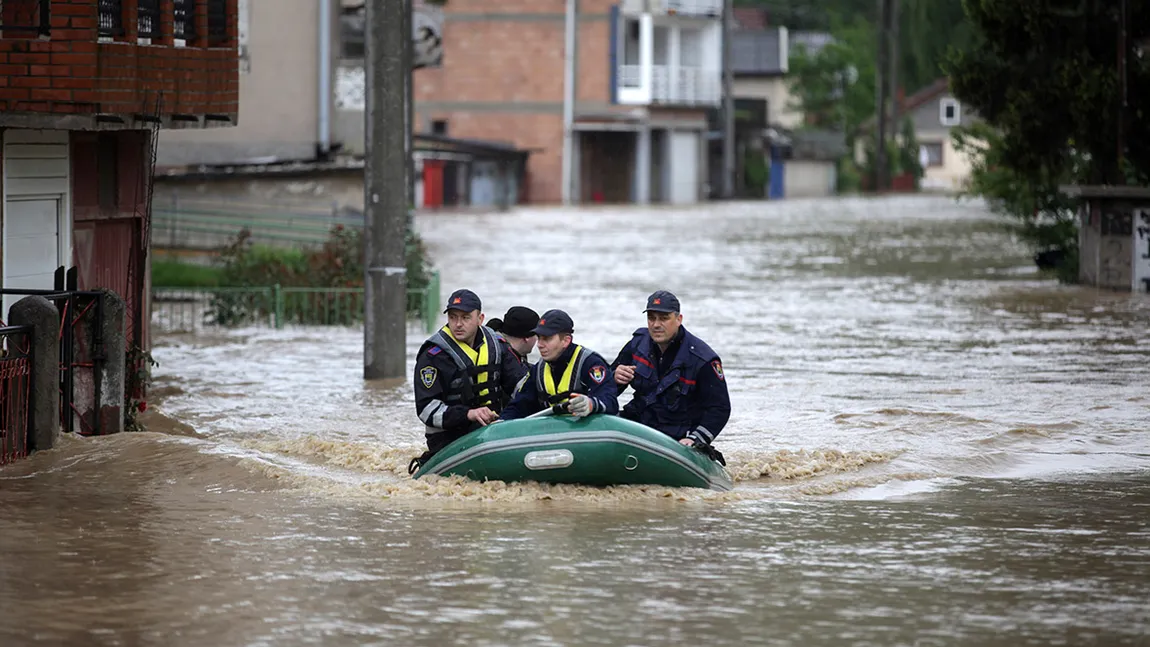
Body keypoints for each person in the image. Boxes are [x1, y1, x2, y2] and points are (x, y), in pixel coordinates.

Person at [410, 289, 528, 471]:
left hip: (494, 428)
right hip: (448, 437)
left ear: (480, 319)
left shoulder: (497, 346)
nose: (458, 324)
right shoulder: (433, 356)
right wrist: (469, 414)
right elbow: (426, 409)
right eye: (453, 317)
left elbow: (521, 386)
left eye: (465, 318)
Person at [611, 290, 730, 458]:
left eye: (664, 318)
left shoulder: (703, 359)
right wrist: (614, 378)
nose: (656, 324)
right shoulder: (637, 344)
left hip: (677, 436)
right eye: (651, 318)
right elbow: (604, 390)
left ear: (679, 319)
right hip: (638, 424)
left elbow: (720, 408)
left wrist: (696, 438)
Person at [500, 309, 619, 421]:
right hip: (552, 432)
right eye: (539, 338)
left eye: (547, 339)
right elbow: (519, 405)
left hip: (585, 430)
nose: (539, 345)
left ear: (566, 341)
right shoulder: (538, 370)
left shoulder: (590, 364)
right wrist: (501, 422)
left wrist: (591, 404)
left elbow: (610, 400)